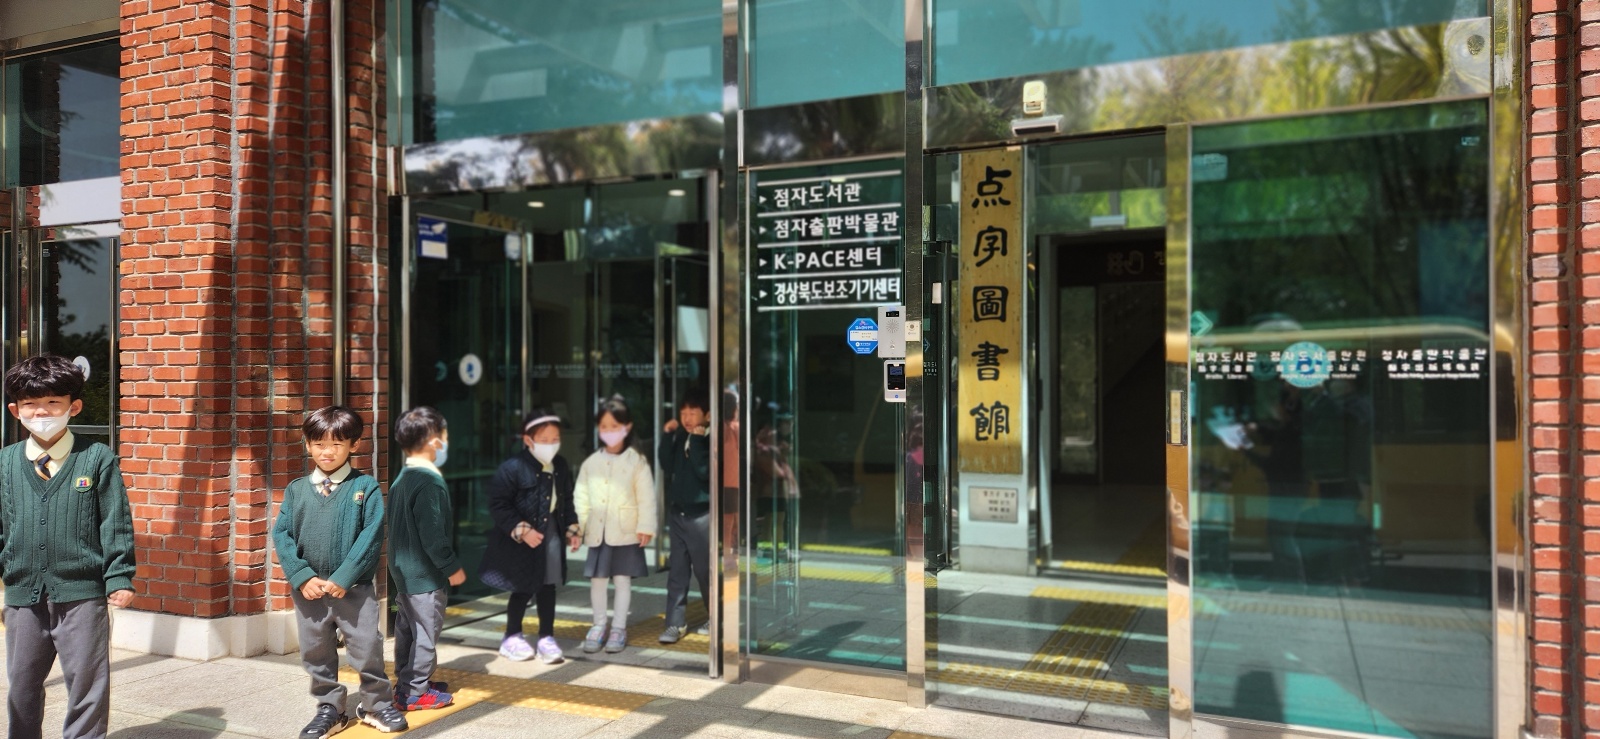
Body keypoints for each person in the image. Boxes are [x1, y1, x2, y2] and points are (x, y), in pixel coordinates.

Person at [0, 354, 135, 739]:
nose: (41, 412)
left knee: (87, 684)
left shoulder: (96, 458)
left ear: (73, 407)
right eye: (30, 404)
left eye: (53, 402)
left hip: (82, 594)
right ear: (15, 411)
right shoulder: (5, 462)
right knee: (22, 683)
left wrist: (119, 575)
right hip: (23, 595)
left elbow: (115, 521)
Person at [271, 406, 408, 736]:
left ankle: (377, 705)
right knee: (315, 652)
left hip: (354, 590)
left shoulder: (365, 487)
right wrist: (302, 576)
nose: (327, 452)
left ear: (354, 445)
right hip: (310, 592)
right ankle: (330, 708)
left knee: (367, 647)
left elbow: (371, 536)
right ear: (307, 445)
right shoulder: (296, 490)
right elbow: (282, 535)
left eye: (336, 444)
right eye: (319, 444)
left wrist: (345, 577)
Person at [481, 409, 578, 664]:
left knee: (548, 585)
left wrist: (572, 528)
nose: (551, 445)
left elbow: (566, 500)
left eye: (555, 439)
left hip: (551, 532)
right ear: (528, 440)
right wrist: (522, 530)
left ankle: (547, 638)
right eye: (544, 440)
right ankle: (512, 636)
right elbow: (498, 504)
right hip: (521, 538)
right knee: (523, 587)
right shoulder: (513, 467)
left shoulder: (560, 465)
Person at [386, 406, 465, 711]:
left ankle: (406, 683)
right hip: (425, 575)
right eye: (443, 434)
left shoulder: (402, 478)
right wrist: (451, 566)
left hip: (404, 572)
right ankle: (415, 692)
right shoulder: (429, 482)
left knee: (408, 628)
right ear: (434, 440)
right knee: (425, 633)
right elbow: (433, 533)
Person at [570, 397, 656, 654]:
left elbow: (647, 496)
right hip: (598, 532)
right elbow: (580, 497)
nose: (609, 431)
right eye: (604, 426)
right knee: (597, 581)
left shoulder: (636, 461)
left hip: (625, 531)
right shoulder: (591, 463)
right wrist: (577, 528)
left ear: (626, 427)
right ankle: (598, 625)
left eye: (614, 426)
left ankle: (619, 627)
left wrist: (646, 525)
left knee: (622, 580)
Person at [657, 389, 712, 644]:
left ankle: (716, 616)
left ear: (707, 416)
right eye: (683, 413)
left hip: (701, 515)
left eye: (693, 413)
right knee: (677, 572)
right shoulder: (681, 436)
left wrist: (698, 441)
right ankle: (675, 623)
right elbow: (667, 464)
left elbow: (705, 471)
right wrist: (667, 436)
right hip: (678, 512)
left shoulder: (710, 439)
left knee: (704, 571)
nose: (687, 418)